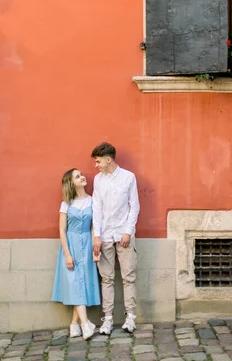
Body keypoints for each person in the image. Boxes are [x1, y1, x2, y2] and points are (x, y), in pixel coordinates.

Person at [92, 142, 140, 335]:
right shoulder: (98, 180)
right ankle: (108, 319)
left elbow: (134, 206)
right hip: (104, 236)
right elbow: (96, 208)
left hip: (123, 234)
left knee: (128, 277)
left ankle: (130, 318)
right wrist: (97, 235)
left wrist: (128, 231)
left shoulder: (128, 178)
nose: (96, 165)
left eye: (98, 161)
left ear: (108, 159)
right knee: (107, 279)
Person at [52, 168, 101, 340]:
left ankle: (74, 325)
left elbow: (95, 225)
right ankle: (85, 323)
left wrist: (96, 246)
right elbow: (62, 230)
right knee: (75, 284)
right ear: (71, 183)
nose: (82, 177)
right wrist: (67, 254)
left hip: (87, 245)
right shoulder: (66, 203)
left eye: (81, 174)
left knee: (81, 284)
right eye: (77, 176)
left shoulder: (93, 201)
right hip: (71, 246)